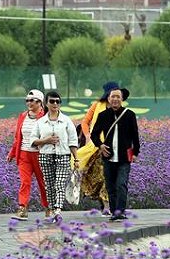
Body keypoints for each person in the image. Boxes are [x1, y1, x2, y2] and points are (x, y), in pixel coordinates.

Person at [90, 87, 140, 221]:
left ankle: (120, 211)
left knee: (121, 184)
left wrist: (135, 152)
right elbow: (94, 134)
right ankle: (114, 212)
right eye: (113, 97)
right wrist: (100, 145)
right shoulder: (103, 115)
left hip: (125, 157)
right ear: (108, 99)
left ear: (122, 99)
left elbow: (135, 135)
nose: (115, 99)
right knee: (110, 186)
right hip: (108, 156)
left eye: (118, 97)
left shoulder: (129, 115)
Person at [29, 90, 79, 223]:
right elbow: (32, 141)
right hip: (45, 156)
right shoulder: (40, 122)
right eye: (52, 101)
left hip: (63, 155)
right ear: (46, 103)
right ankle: (51, 209)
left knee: (60, 183)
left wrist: (76, 158)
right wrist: (46, 140)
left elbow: (73, 141)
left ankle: (58, 210)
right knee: (49, 185)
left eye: (58, 101)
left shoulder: (66, 121)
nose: (55, 104)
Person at [76, 82, 123, 215]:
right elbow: (85, 122)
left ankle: (107, 205)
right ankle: (105, 203)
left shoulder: (119, 108)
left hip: (113, 147)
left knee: (109, 176)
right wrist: (88, 136)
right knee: (99, 176)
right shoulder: (97, 106)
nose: (114, 98)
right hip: (96, 146)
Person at [6, 88, 50, 221]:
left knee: (43, 183)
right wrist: (12, 153)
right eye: (27, 100)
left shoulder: (45, 117)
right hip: (24, 154)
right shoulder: (23, 116)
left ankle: (49, 208)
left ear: (40, 102)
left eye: (32, 100)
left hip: (40, 155)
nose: (29, 103)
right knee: (25, 182)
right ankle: (22, 208)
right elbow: (17, 137)